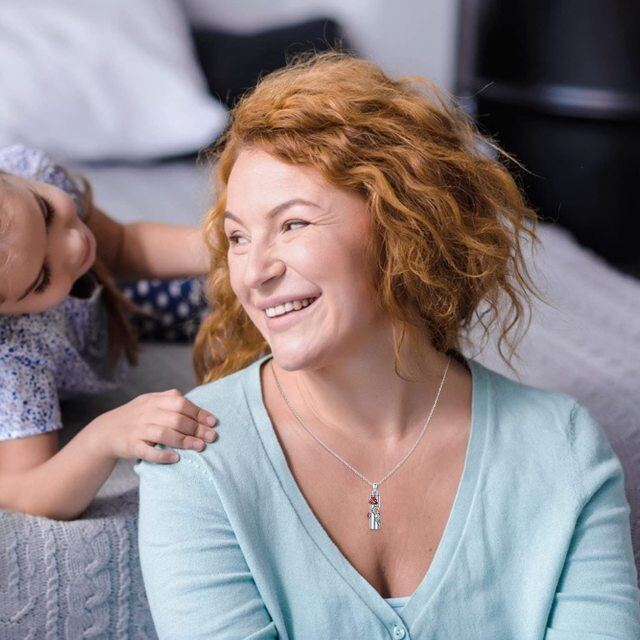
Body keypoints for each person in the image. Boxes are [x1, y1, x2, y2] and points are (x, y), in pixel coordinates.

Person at [135, 52, 640, 638]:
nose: (253, 273)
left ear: (405, 223)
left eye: (293, 223)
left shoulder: (563, 450)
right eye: (239, 238)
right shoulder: (195, 456)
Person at [0, 144, 219, 521]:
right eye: (42, 278)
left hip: (99, 307)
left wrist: (226, 244)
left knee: (232, 287)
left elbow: (120, 247)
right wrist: (102, 437)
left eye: (47, 213)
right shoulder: (17, 360)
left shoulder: (32, 176)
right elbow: (25, 489)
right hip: (64, 339)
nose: (74, 245)